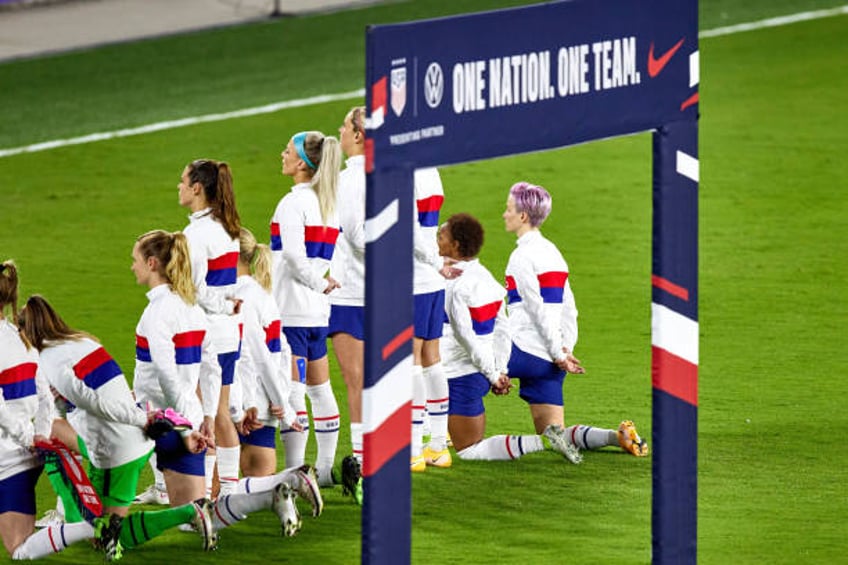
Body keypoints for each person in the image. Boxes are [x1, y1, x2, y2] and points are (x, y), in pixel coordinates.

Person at [132, 230, 306, 538]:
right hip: (193, 417)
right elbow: (211, 368)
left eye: (135, 261)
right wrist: (208, 416)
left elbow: (164, 373)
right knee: (197, 515)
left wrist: (185, 427)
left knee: (99, 476)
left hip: (159, 422)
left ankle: (73, 530)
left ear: (152, 263)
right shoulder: (193, 310)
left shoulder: (156, 313)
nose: (132, 267)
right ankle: (271, 493)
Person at [18, 294, 217, 556]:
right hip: (132, 441)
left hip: (118, 451)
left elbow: (94, 402)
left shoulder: (50, 360)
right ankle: (67, 512)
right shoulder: (82, 342)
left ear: (26, 333)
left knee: (103, 533)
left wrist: (141, 419)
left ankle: (190, 512)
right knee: (50, 435)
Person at [501, 182, 649, 460]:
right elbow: (570, 309)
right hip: (550, 362)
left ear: (523, 216)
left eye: (508, 209)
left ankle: (432, 436)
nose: (504, 214)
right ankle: (616, 437)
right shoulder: (554, 253)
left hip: (519, 351)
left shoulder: (521, 257)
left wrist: (559, 353)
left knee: (451, 368)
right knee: (554, 434)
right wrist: (565, 348)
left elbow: (535, 310)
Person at [438, 214, 586, 461]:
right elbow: (504, 329)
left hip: (461, 374)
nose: (435, 241)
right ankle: (606, 437)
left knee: (469, 450)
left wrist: (495, 374)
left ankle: (545, 442)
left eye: (440, 237)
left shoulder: (451, 287)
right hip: (491, 367)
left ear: (454, 246)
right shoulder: (489, 281)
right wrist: (501, 367)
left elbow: (466, 338)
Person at [0, 260, 113, 560]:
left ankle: (91, 527)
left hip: (8, 459)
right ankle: (89, 525)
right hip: (26, 454)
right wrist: (37, 433)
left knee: (18, 549)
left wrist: (28, 436)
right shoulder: (19, 336)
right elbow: (44, 397)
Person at [270, 130, 342, 486]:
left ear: (301, 163)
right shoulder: (328, 202)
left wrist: (317, 282)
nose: (281, 155)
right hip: (317, 313)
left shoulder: (293, 203)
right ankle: (326, 469)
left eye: (287, 151)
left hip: (292, 312)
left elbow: (295, 258)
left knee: (294, 393)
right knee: (320, 390)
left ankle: (297, 473)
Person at [179, 158, 244, 498]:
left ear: (197, 188)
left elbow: (194, 288)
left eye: (182, 181)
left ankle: (206, 496)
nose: (178, 187)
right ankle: (228, 492)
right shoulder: (226, 227)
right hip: (228, 333)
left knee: (209, 415)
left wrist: (219, 304)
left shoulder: (195, 234)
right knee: (220, 415)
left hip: (208, 335)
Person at [233, 227, 299, 476]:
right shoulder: (262, 293)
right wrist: (281, 398)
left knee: (214, 495)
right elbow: (281, 351)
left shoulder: (237, 297)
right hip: (264, 404)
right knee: (257, 496)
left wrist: (280, 401)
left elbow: (255, 357)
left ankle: (297, 482)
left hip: (244, 404)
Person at [327, 106, 367, 502]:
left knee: (356, 381)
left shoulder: (349, 180)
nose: (339, 131)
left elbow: (356, 236)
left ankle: (361, 462)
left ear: (358, 136)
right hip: (379, 292)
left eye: (344, 125)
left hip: (351, 294)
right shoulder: (388, 174)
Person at [411, 167, 451, 471]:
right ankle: (437, 446)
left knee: (411, 362)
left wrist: (435, 261)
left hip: (413, 278)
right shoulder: (431, 170)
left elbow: (408, 232)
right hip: (432, 282)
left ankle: (412, 450)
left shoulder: (404, 172)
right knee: (431, 358)